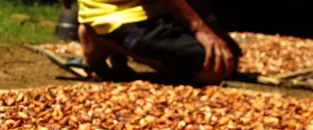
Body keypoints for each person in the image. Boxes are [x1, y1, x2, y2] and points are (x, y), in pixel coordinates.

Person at [67, 0, 241, 83]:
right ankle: (99, 38)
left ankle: (119, 47)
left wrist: (216, 32)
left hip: (151, 9)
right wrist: (199, 28)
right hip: (118, 14)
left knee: (228, 58)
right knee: (212, 69)